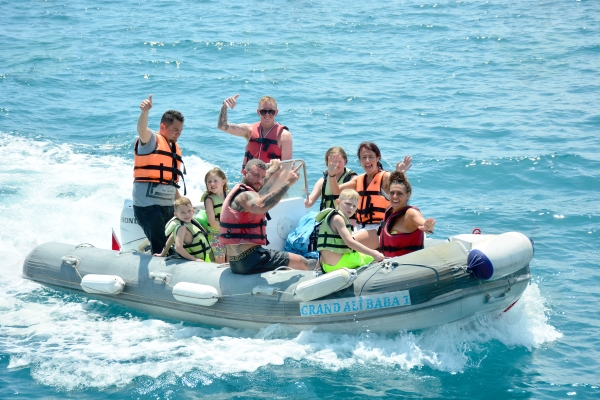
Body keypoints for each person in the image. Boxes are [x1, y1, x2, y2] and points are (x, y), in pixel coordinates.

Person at [219, 159, 309, 275]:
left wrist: (272, 170)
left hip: (235, 262)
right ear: (244, 173)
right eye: (256, 175)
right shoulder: (244, 195)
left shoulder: (240, 191)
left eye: (262, 177)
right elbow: (261, 205)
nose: (260, 180)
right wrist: (288, 183)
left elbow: (262, 188)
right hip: (251, 259)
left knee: (286, 266)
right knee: (303, 263)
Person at [325, 142, 412, 249]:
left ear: (378, 158)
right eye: (364, 157)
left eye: (371, 157)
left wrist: (400, 174)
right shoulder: (359, 179)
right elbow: (336, 191)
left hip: (379, 229)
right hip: (359, 227)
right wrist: (331, 174)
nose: (367, 161)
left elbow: (399, 192)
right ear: (360, 160)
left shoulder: (385, 177)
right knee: (333, 240)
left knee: (345, 244)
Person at [133, 94, 186, 255]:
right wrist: (145, 112)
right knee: (162, 248)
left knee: (172, 247)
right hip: (148, 207)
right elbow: (141, 129)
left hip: (168, 207)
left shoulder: (173, 148)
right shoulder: (151, 140)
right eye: (175, 129)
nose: (178, 134)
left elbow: (170, 181)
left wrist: (182, 202)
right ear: (163, 127)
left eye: (181, 130)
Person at [218, 94, 293, 170]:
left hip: (271, 179)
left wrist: (270, 182)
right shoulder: (249, 130)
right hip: (249, 180)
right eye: (263, 111)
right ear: (258, 112)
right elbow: (222, 126)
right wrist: (224, 107)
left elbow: (285, 170)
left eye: (271, 112)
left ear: (276, 112)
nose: (267, 115)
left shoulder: (284, 135)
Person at [317, 189, 384, 273]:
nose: (351, 208)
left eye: (354, 206)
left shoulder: (331, 217)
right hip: (339, 263)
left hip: (326, 266)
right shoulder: (338, 219)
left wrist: (317, 268)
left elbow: (324, 247)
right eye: (348, 204)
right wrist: (374, 254)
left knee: (361, 254)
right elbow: (350, 242)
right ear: (338, 202)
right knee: (372, 257)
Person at [379, 172, 436, 257]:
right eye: (392, 193)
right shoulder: (390, 211)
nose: (394, 196)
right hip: (387, 262)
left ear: (408, 195)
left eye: (399, 193)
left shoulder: (411, 213)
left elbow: (423, 224)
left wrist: (428, 228)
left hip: (406, 265)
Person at [159, 197, 213, 262]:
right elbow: (179, 248)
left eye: (189, 211)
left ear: (193, 210)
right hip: (195, 260)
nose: (187, 214)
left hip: (203, 257)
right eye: (182, 212)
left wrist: (163, 254)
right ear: (176, 214)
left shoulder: (191, 223)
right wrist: (194, 259)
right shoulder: (182, 228)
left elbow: (172, 236)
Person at [304, 147, 357, 211]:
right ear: (327, 163)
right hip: (327, 218)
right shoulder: (322, 181)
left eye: (339, 161)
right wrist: (305, 202)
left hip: (346, 218)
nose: (336, 164)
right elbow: (310, 201)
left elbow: (337, 191)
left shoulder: (352, 179)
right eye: (332, 162)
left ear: (345, 161)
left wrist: (332, 175)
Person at [201, 167, 229, 263]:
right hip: (217, 234)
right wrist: (228, 228)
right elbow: (212, 222)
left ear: (223, 182)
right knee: (220, 260)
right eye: (209, 182)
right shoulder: (209, 200)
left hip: (230, 233)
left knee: (231, 259)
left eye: (215, 181)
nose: (212, 184)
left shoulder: (230, 196)